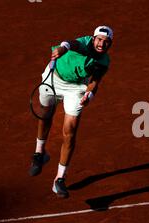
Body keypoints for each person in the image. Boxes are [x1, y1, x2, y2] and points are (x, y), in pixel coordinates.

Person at [29, 25, 113, 198]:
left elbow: (94, 82)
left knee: (70, 131)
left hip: (75, 88)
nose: (102, 44)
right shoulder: (84, 42)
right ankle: (40, 152)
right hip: (53, 78)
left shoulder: (103, 61)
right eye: (99, 40)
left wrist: (89, 94)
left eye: (106, 42)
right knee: (45, 116)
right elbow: (70, 44)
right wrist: (62, 48)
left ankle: (59, 179)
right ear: (93, 38)